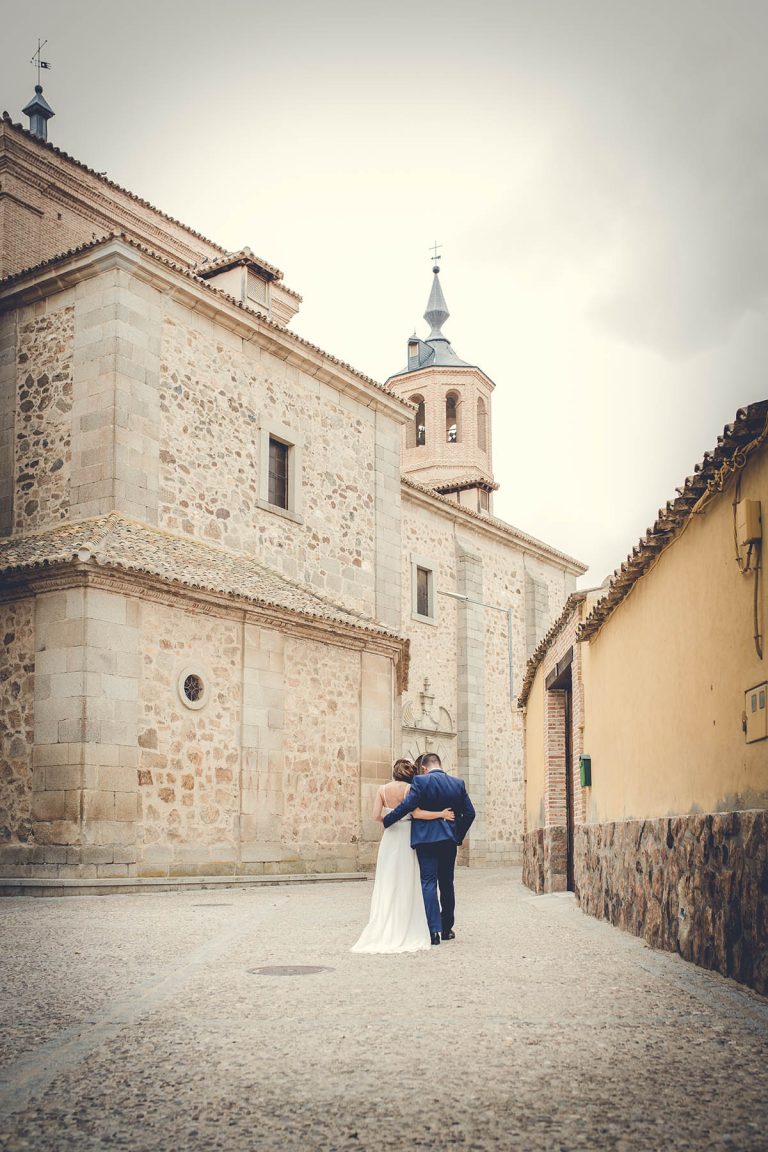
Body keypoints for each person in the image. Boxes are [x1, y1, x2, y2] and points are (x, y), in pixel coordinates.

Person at [351, 759, 455, 954]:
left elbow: (375, 816)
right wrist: (441, 814)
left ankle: (386, 919)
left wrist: (388, 819)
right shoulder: (409, 789)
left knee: (388, 879)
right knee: (409, 879)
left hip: (390, 838)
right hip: (407, 836)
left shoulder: (382, 789)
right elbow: (417, 814)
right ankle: (409, 919)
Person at [382, 752, 475, 946]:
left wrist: (388, 820)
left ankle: (433, 931)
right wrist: (457, 835)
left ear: (424, 768)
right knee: (447, 883)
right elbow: (470, 813)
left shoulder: (420, 782)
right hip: (448, 840)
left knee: (428, 882)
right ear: (439, 764)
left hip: (425, 840)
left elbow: (407, 806)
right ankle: (447, 929)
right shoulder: (457, 784)